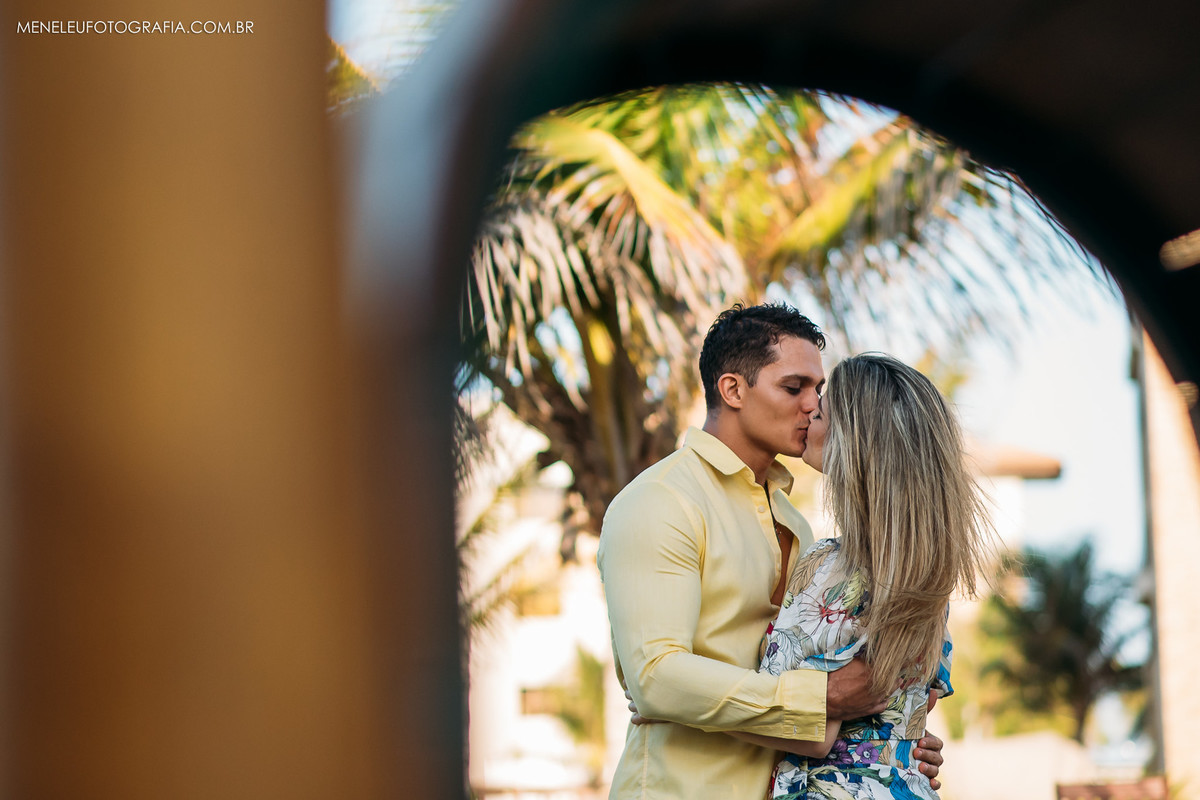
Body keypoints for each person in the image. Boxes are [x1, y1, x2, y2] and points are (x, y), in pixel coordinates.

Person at [597, 304, 945, 799]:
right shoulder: (661, 501)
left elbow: (827, 672)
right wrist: (823, 699)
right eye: (793, 387)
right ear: (733, 389)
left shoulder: (799, 526)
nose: (813, 405)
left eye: (818, 390)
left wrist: (894, 743)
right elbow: (656, 675)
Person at [747, 352, 994, 798]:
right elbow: (916, 717)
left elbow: (806, 730)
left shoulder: (832, 568)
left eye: (820, 412)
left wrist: (679, 712)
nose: (808, 414)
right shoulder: (927, 582)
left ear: (852, 444)